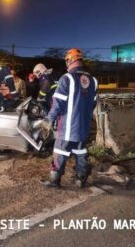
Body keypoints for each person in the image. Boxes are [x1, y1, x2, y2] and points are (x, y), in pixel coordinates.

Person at [41, 48, 98, 188]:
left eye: (67, 60)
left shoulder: (67, 78)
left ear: (71, 60)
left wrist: (49, 119)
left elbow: (57, 104)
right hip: (84, 127)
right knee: (80, 151)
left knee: (60, 151)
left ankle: (55, 181)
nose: (66, 63)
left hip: (68, 126)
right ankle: (80, 179)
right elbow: (93, 104)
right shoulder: (93, 80)